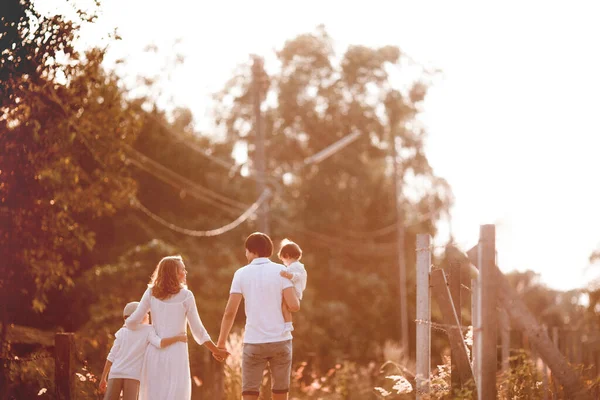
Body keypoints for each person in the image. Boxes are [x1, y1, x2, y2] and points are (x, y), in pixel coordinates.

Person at [125, 255, 229, 400]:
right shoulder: (187, 296)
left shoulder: (151, 293)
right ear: (173, 273)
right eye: (183, 269)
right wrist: (216, 350)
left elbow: (131, 323)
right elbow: (198, 330)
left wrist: (150, 332)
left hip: (154, 353)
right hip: (176, 355)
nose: (185, 272)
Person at [216, 232, 300, 400]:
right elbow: (294, 306)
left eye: (246, 251)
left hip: (254, 342)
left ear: (252, 251)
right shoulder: (282, 271)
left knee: (249, 394)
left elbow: (230, 312)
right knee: (280, 394)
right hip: (281, 341)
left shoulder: (240, 274)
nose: (245, 254)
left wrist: (221, 343)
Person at [98, 302, 187, 400]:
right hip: (132, 376)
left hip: (115, 373)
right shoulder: (148, 331)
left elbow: (111, 357)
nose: (148, 315)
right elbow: (160, 343)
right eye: (145, 313)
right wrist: (178, 338)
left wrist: (103, 378)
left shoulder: (122, 332)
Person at [278, 239, 307, 333]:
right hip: (296, 290)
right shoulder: (297, 266)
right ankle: (287, 324)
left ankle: (288, 324)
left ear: (287, 256)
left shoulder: (294, 266)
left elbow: (297, 277)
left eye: (283, 260)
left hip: (295, 291)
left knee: (284, 306)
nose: (284, 263)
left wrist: (286, 275)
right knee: (284, 306)